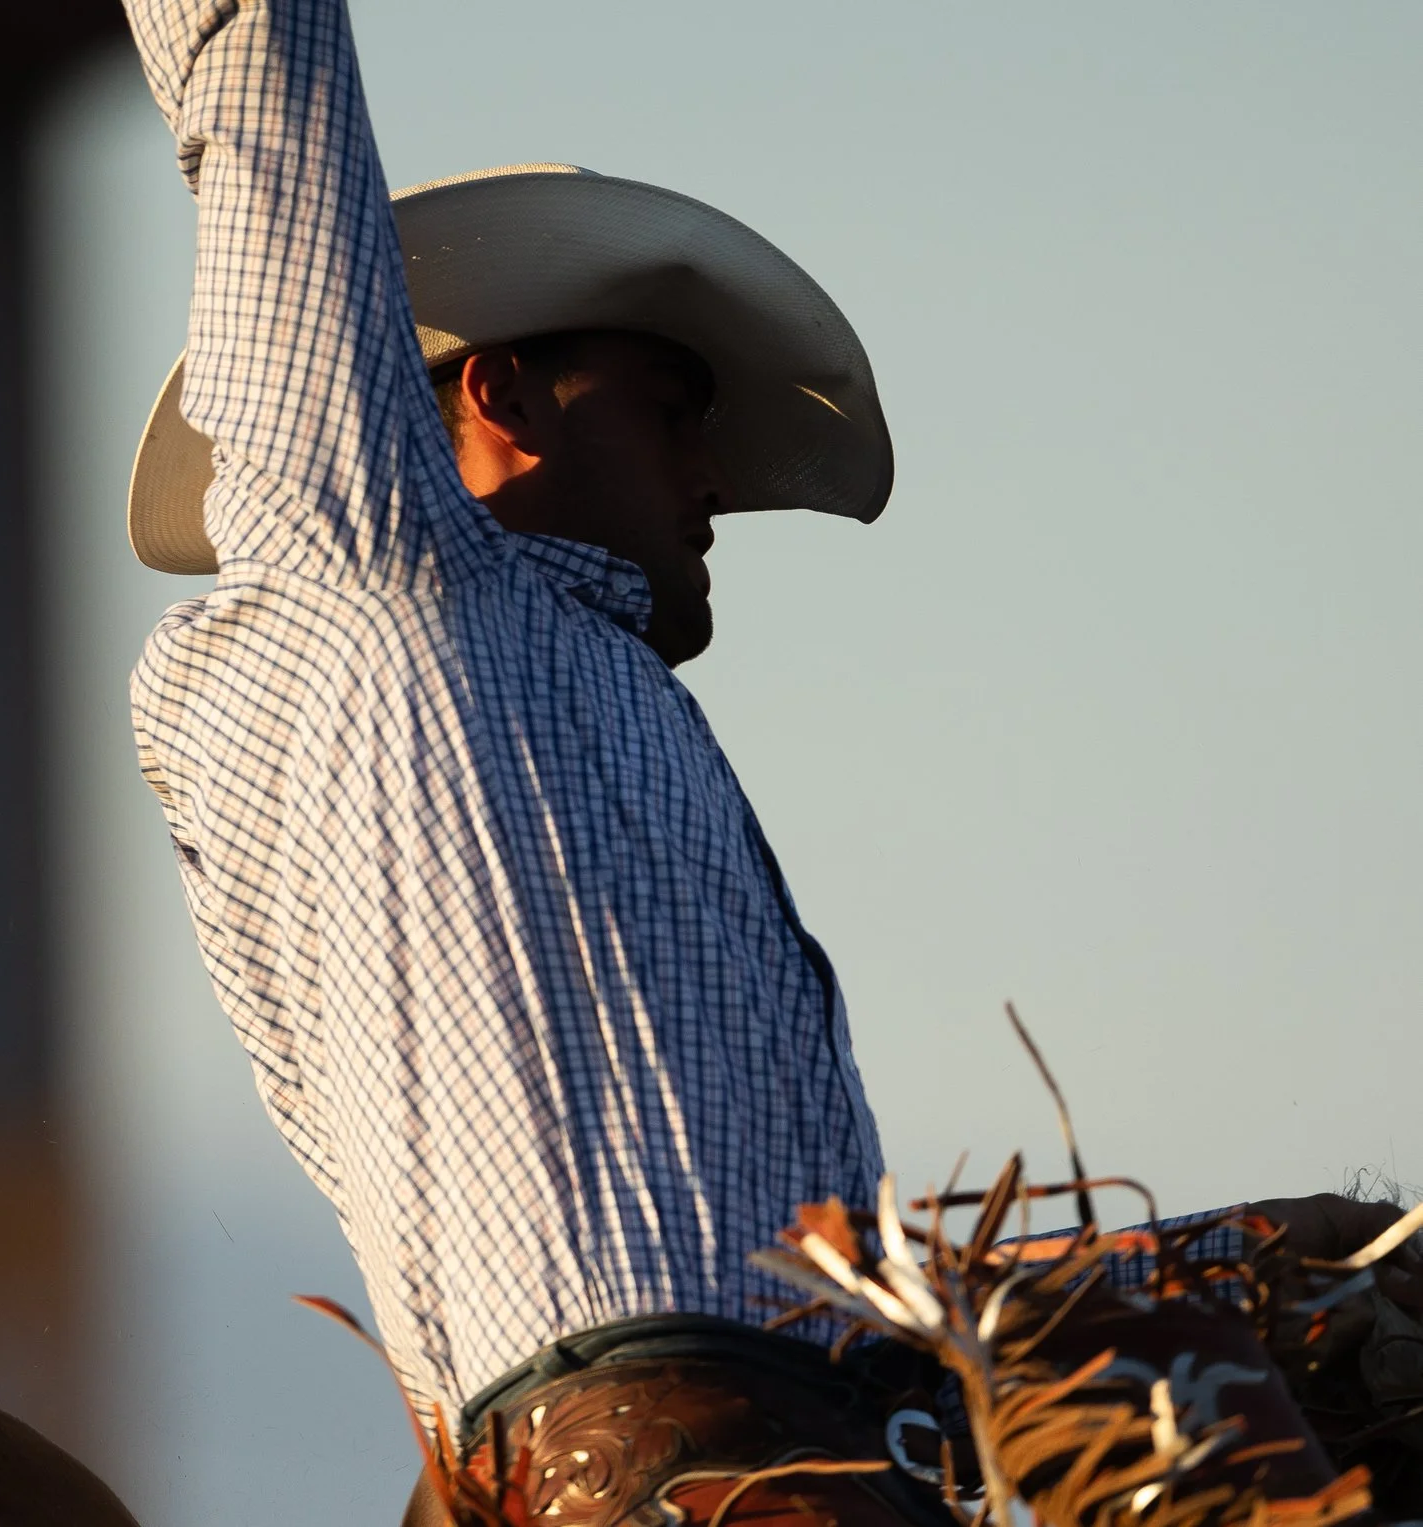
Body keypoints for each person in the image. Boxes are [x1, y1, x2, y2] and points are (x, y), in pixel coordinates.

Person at [114, 0, 1420, 1518]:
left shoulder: (554, 724)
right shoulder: (377, 587)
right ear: (503, 394)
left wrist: (1261, 1263)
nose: (714, 478)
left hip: (791, 1456)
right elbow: (259, 82)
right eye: (674, 413)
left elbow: (800, 1322)